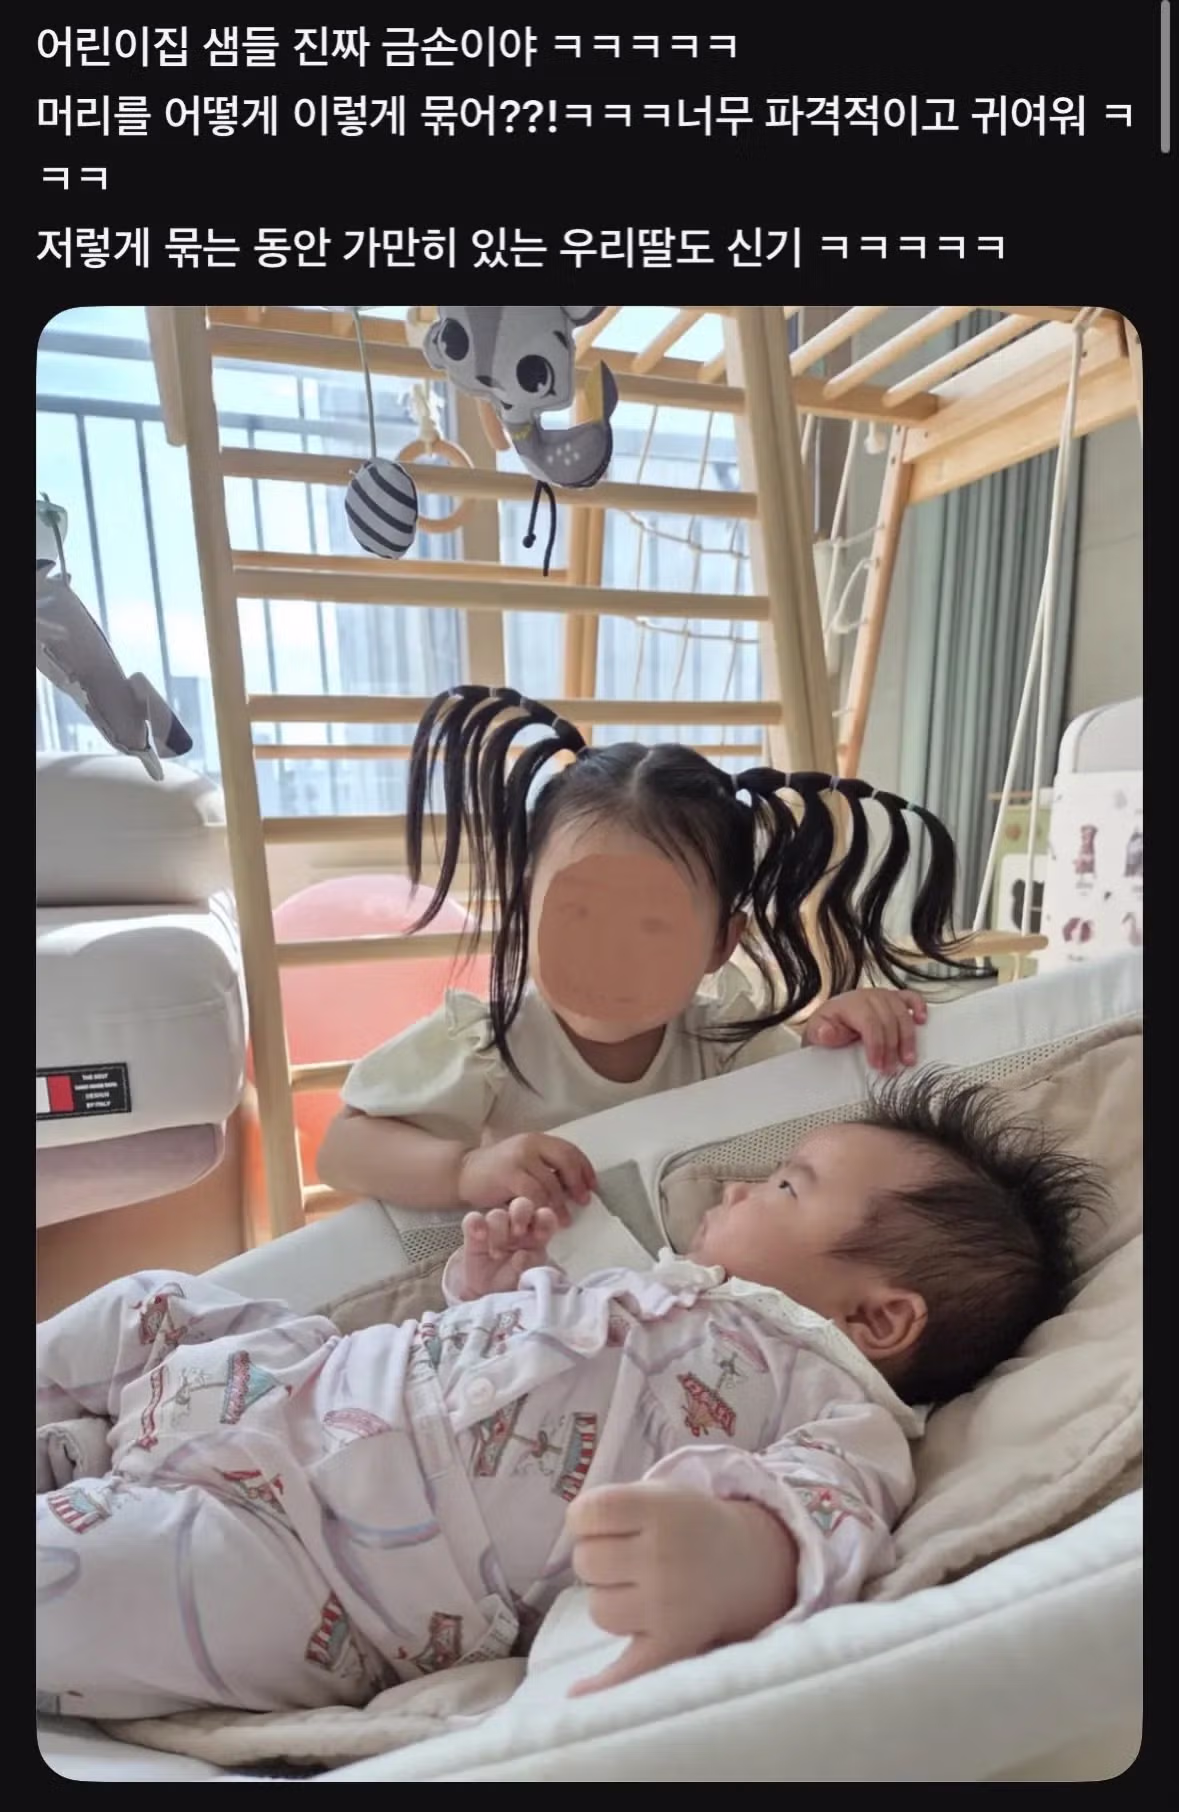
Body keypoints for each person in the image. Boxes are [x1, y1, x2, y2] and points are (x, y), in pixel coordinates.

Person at [37, 1072, 1101, 1720]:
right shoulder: (658, 1284)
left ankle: (86, 1486)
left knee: (82, 1580)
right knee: (151, 1303)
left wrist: (736, 1552)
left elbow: (824, 1513)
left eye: (786, 1186)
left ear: (880, 1318)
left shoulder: (839, 1408)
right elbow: (487, 1354)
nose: (740, 1184)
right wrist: (493, 1286)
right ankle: (75, 1443)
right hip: (291, 1378)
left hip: (319, 1577)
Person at [319, 685, 973, 1220]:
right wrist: (465, 1170)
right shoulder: (489, 1045)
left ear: (720, 943)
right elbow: (343, 1148)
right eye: (577, 914)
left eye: (654, 927)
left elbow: (801, 1114)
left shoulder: (723, 1043)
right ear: (525, 906)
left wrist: (832, 1040)